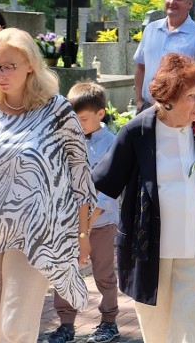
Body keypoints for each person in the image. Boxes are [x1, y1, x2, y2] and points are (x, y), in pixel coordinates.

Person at [93, 53, 195, 341]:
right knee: (157, 333)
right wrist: (82, 233)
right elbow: (105, 185)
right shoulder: (138, 131)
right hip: (149, 251)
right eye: (191, 97)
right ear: (168, 100)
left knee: (191, 332)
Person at [0, 28, 96, 342]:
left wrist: (82, 233)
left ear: (30, 65)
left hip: (34, 233)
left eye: (8, 66)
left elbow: (80, 174)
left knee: (15, 329)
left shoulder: (56, 112)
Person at [47, 82, 120, 343]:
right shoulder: (63, 141)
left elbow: (109, 190)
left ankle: (109, 321)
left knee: (103, 273)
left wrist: (86, 227)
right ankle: (65, 323)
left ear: (100, 114)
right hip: (67, 222)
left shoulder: (113, 144)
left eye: (83, 119)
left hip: (100, 222)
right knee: (64, 271)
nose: (78, 125)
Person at [133, 0, 195, 111]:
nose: (172, 2)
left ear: (189, 4)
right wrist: (139, 101)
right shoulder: (151, 29)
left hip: (178, 111)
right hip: (147, 107)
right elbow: (141, 67)